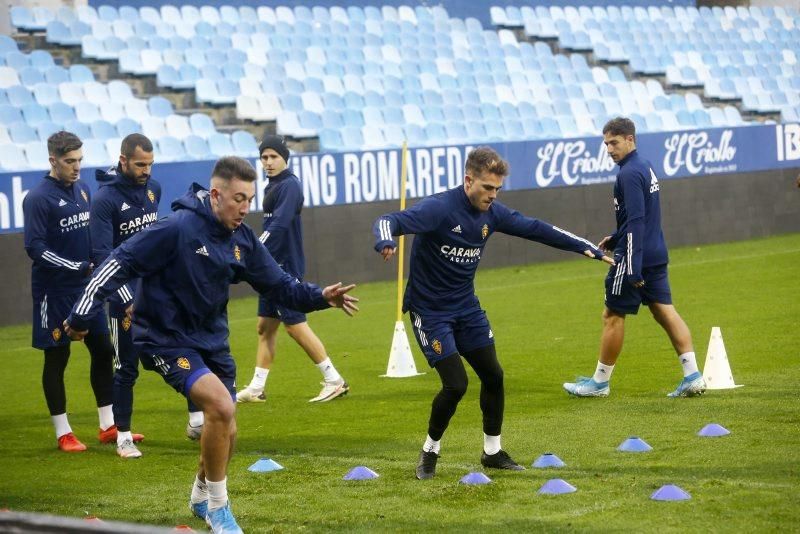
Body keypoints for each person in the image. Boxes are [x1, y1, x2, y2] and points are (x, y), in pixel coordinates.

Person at [64, 156, 359, 533]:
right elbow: (117, 262)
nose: (246, 208)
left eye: (250, 200)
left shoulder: (242, 240)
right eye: (239, 199)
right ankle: (219, 509)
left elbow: (280, 285)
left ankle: (201, 494)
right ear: (216, 195)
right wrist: (81, 314)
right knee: (220, 406)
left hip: (211, 343)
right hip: (164, 339)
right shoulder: (176, 229)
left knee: (227, 428)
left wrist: (321, 296)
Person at [372, 146, 612, 480]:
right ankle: (430, 450)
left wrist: (584, 247)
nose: (492, 195)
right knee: (456, 385)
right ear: (468, 180)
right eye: (487, 188)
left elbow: (538, 228)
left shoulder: (493, 213)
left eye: (497, 189)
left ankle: (492, 451)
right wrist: (385, 241)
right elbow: (390, 220)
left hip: (466, 308)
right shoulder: (438, 209)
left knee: (494, 376)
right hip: (431, 312)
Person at [563, 117, 706, 398]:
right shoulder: (645, 166)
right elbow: (639, 217)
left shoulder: (628, 174)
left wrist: (632, 265)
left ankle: (599, 383)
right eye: (606, 143)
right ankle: (693, 375)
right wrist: (616, 236)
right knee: (664, 310)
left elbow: (638, 220)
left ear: (630, 139)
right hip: (655, 251)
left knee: (612, 314)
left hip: (634, 256)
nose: (609, 149)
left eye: (614, 142)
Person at [91, 133, 203, 459]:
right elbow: (102, 256)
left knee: (184, 346)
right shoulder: (103, 201)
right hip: (122, 298)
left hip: (155, 293)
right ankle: (123, 436)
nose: (146, 171)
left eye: (150, 164)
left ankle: (196, 419)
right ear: (123, 161)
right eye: (140, 164)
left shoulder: (153, 189)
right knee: (126, 367)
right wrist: (126, 298)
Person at [22, 131, 118, 452]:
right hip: (54, 293)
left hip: (86, 289)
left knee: (104, 351)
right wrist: (75, 266)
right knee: (57, 357)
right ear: (53, 160)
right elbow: (35, 248)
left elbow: (89, 237)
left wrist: (95, 262)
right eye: (69, 162)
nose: (77, 167)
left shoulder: (85, 189)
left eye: (80, 160)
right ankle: (63, 433)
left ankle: (107, 425)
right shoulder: (37, 198)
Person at [237, 135, 349, 404]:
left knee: (294, 325)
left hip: (283, 267)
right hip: (270, 265)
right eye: (264, 157)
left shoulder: (289, 185)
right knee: (265, 327)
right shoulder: (273, 185)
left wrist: (254, 250)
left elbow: (279, 226)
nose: (268, 162)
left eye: (273, 157)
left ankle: (334, 380)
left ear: (285, 158)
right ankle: (257, 387)